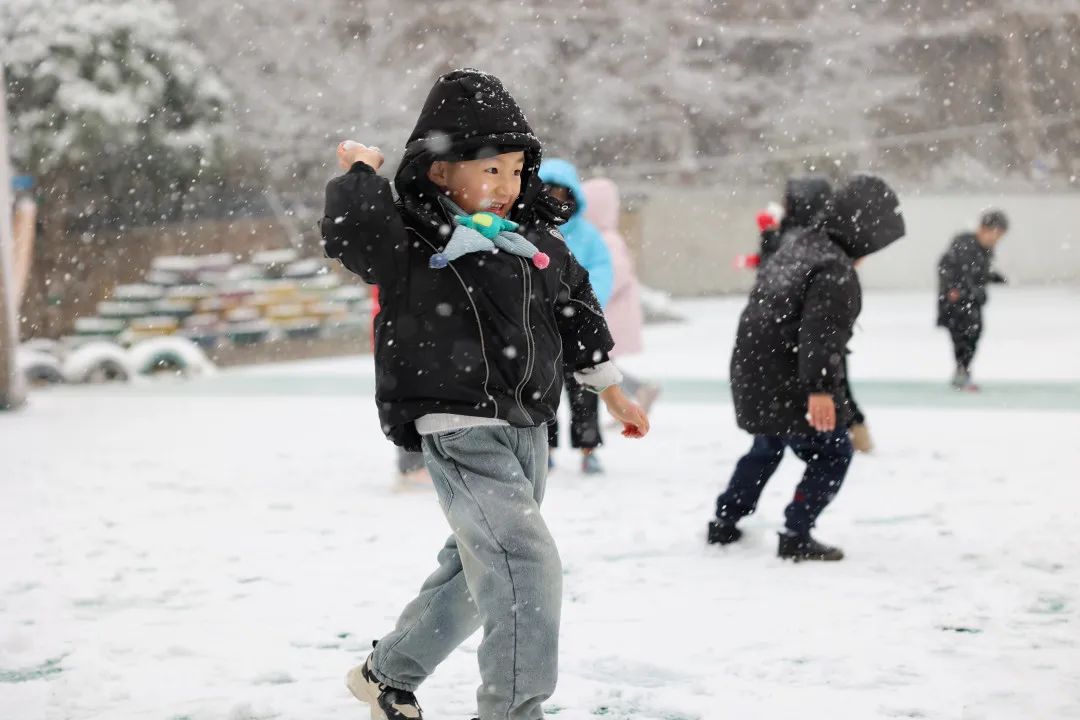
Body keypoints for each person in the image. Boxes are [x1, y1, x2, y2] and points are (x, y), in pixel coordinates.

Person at [320, 69, 650, 720]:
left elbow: (576, 303)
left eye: (518, 171)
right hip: (457, 421)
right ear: (441, 173)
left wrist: (608, 389)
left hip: (526, 421)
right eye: (491, 171)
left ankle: (387, 674)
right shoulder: (413, 239)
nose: (508, 187)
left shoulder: (533, 242)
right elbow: (350, 236)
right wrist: (363, 173)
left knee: (479, 569)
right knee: (525, 564)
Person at [707, 175, 905, 561]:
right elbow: (821, 336)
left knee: (767, 445)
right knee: (834, 454)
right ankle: (797, 532)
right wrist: (820, 391)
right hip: (791, 378)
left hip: (753, 370)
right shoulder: (834, 268)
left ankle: (725, 521)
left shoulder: (797, 247)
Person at [537, 159, 615, 475]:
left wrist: (584, 302)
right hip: (543, 326)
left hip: (579, 324)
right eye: (548, 192)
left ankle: (588, 448)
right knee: (544, 392)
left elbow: (602, 269)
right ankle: (547, 448)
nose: (556, 199)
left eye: (562, 193)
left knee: (586, 390)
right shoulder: (533, 230)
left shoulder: (587, 233)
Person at [582, 177, 660, 414]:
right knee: (600, 364)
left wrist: (591, 293)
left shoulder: (606, 239)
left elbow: (616, 274)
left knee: (599, 364)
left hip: (610, 311)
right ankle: (631, 397)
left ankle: (636, 393)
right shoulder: (601, 236)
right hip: (609, 311)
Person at [937, 210, 1009, 390]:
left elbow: (978, 274)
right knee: (964, 334)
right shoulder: (965, 246)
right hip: (957, 301)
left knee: (972, 334)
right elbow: (952, 270)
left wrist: (993, 278)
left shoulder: (982, 249)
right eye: (996, 234)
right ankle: (962, 371)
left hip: (969, 300)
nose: (996, 240)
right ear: (984, 229)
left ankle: (963, 370)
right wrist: (956, 291)